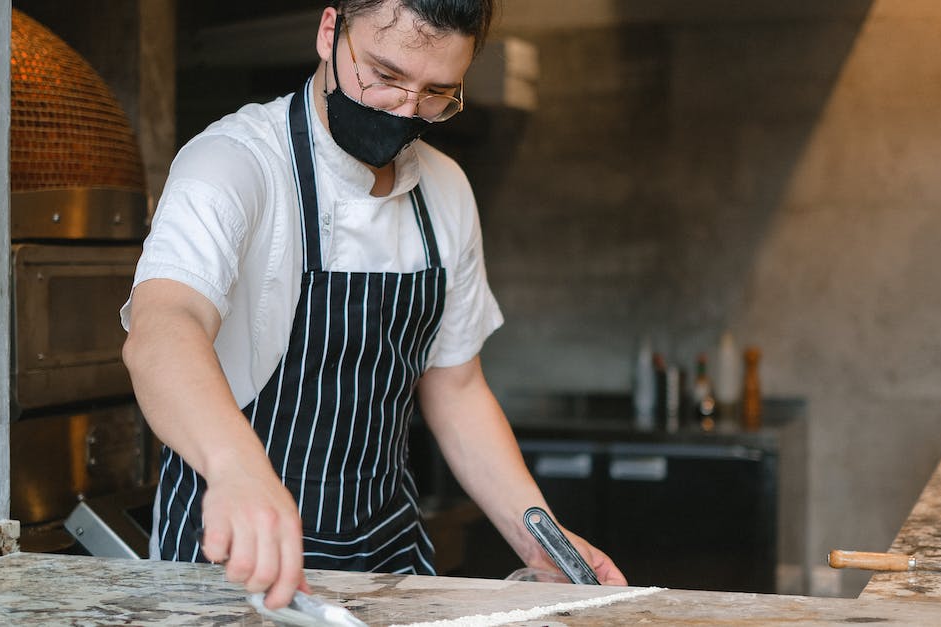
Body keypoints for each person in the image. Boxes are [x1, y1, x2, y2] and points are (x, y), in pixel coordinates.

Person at [120, 0, 626, 610]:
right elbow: (162, 327)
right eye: (386, 76)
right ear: (330, 32)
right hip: (230, 563)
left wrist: (537, 536)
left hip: (390, 563)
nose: (406, 110)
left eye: (437, 91)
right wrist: (238, 469)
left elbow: (456, 387)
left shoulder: (447, 192)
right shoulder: (233, 163)